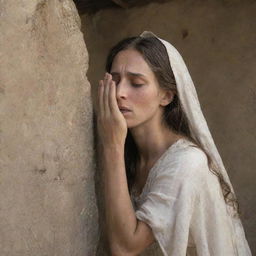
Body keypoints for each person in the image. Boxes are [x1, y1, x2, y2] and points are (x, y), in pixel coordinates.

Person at [95, 31, 252, 256]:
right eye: (115, 81)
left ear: (166, 96)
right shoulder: (131, 154)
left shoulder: (186, 163)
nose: (119, 93)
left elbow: (124, 247)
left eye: (136, 83)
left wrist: (112, 145)